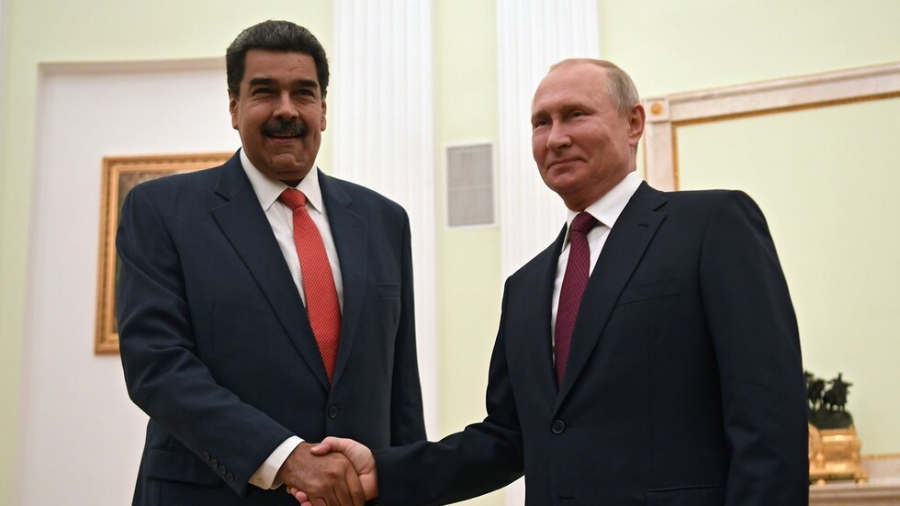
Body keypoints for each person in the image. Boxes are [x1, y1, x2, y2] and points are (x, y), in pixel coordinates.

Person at [294, 59, 809, 505]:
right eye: (541, 122)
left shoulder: (712, 226)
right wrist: (382, 473)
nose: (556, 137)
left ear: (633, 123)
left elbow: (768, 424)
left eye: (576, 114)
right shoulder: (525, 288)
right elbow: (507, 438)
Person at [116, 20, 426, 506]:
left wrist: (410, 487)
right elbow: (157, 366)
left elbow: (401, 389)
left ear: (323, 109)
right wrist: (286, 458)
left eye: (303, 93)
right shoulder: (162, 211)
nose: (286, 109)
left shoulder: (384, 220)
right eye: (264, 92)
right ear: (234, 107)